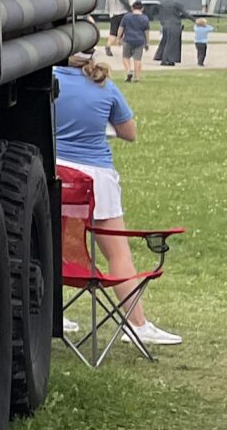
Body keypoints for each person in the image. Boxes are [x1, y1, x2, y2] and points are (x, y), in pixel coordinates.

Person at [53, 52, 181, 346]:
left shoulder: (49, 82)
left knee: (52, 248)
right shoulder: (103, 86)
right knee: (117, 254)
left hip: (56, 173)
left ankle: (52, 313)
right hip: (96, 178)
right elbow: (129, 132)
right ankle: (136, 324)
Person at [116, 2, 151, 80]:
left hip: (128, 39)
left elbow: (121, 28)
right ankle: (137, 76)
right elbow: (147, 31)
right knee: (137, 59)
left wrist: (118, 38)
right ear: (142, 8)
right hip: (140, 40)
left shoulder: (126, 17)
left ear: (132, 8)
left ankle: (128, 71)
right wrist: (147, 43)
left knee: (125, 57)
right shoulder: (145, 18)